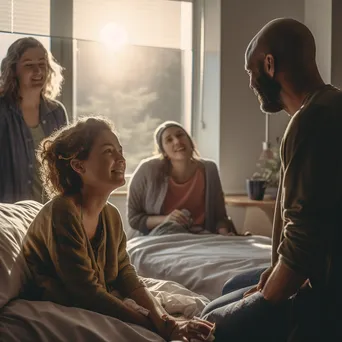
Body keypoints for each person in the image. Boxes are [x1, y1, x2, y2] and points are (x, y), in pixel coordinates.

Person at [200, 18, 342, 342]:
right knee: (231, 287)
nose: (251, 83)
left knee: (209, 323)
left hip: (323, 290)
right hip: (315, 272)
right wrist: (270, 271)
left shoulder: (311, 121)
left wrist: (264, 300)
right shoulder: (331, 104)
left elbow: (303, 243)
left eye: (251, 72)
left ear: (269, 64)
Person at [22, 117, 214, 341]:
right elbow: (86, 293)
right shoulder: (63, 212)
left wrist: (165, 321)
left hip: (100, 295)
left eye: (120, 150)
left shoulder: (110, 215)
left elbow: (126, 274)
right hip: (61, 302)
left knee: (201, 308)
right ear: (79, 165)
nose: (121, 159)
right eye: (108, 152)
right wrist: (161, 327)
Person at [127, 121, 237, 236]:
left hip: (202, 237)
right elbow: (134, 219)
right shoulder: (147, 170)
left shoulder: (210, 169)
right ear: (163, 151)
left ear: (190, 141)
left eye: (180, 135)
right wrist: (166, 219)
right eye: (169, 140)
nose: (177, 141)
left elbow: (219, 217)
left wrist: (224, 235)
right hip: (159, 236)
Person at [0, 37, 68, 204]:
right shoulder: (2, 110)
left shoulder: (57, 112)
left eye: (42, 64)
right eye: (29, 65)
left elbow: (65, 166)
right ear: (14, 69)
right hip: (10, 214)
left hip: (49, 212)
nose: (38, 71)